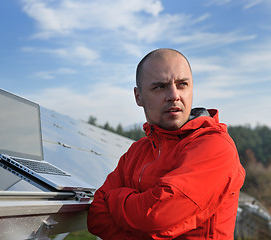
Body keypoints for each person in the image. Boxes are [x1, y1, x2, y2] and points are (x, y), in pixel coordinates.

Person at [87, 48, 245, 239]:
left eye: (182, 84)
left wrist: (113, 198)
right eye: (160, 87)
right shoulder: (136, 152)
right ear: (138, 97)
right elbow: (96, 217)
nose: (174, 95)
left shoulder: (215, 147)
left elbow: (156, 216)